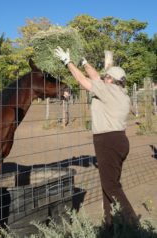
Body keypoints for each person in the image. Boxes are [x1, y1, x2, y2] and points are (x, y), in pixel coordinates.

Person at [54, 46, 139, 228]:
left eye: (106, 76)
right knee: (109, 183)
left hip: (107, 142)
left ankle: (134, 224)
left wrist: (67, 62)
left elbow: (82, 80)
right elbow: (94, 76)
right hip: (120, 141)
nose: (103, 77)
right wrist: (84, 62)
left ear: (111, 80)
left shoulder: (107, 90)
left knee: (111, 186)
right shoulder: (122, 94)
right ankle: (109, 224)